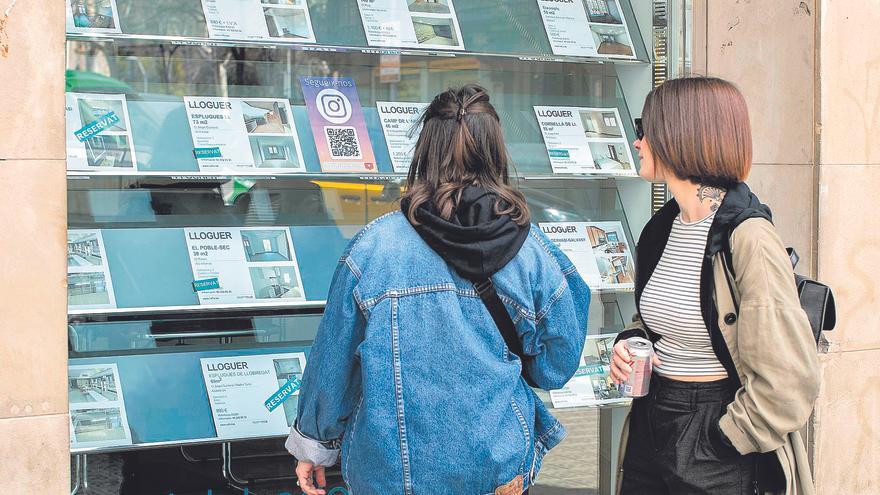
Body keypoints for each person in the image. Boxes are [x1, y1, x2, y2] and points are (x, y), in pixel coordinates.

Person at [286, 84, 590, 495]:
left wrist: (316, 446)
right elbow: (557, 366)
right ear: (496, 151)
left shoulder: (373, 248)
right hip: (497, 465)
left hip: (390, 472)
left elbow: (335, 360)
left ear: (425, 150)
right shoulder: (531, 250)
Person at [610, 76, 820, 495]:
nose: (637, 142)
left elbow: (791, 378)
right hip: (652, 420)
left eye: (644, 129)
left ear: (680, 137)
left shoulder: (747, 237)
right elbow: (664, 319)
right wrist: (632, 342)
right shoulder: (662, 228)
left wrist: (726, 438)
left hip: (715, 430)